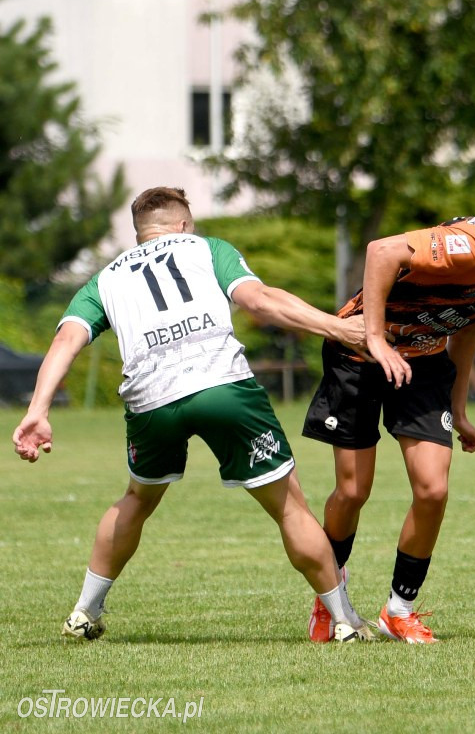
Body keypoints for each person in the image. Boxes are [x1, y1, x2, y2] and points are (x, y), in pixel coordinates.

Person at [11, 187, 373, 643]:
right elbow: (259, 300)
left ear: (141, 233)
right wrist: (337, 326)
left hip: (150, 400)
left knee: (136, 500)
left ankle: (85, 611)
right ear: (182, 226)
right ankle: (344, 621)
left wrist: (37, 410)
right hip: (221, 385)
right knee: (288, 506)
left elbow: (66, 340)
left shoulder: (105, 278)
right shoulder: (208, 249)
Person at [302, 172, 475, 643]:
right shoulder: (472, 245)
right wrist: (374, 338)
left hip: (424, 360)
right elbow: (381, 251)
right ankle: (329, 601)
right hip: (358, 353)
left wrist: (459, 409)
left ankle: (399, 611)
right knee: (353, 492)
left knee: (433, 490)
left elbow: (469, 327)